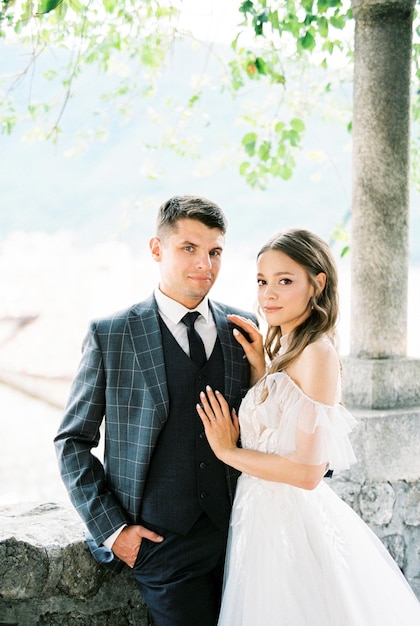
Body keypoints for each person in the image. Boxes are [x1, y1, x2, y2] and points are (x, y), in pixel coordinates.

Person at [197, 228, 420, 626]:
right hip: (259, 516)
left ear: (317, 284)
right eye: (262, 281)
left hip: (289, 524)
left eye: (285, 281)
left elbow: (308, 471)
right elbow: (284, 421)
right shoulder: (286, 346)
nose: (268, 295)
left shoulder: (317, 352)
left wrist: (228, 451)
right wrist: (262, 371)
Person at [54, 195, 259, 626]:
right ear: (156, 249)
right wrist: (114, 533)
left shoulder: (246, 330)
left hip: (244, 540)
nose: (205, 263)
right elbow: (72, 442)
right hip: (161, 548)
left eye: (215, 251)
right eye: (189, 248)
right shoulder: (111, 334)